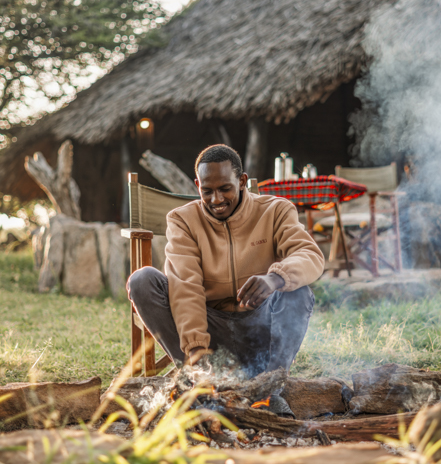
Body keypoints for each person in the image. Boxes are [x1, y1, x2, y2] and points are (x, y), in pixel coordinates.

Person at [127, 144, 325, 376]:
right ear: (197, 185)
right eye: (207, 191)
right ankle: (197, 376)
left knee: (297, 291)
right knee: (142, 280)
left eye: (225, 188)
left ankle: (271, 382)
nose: (216, 199)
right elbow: (186, 287)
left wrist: (275, 278)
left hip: (260, 332)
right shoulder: (182, 220)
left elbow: (309, 254)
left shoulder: (276, 210)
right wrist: (197, 352)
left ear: (242, 181)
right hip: (211, 334)